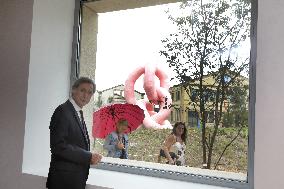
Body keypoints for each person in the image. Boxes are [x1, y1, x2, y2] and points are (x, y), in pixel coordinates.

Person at [46, 77, 102, 189]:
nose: (85, 95)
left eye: (89, 92)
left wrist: (90, 156)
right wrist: (88, 156)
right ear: (73, 90)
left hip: (73, 180)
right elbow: (58, 146)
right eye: (82, 90)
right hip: (63, 181)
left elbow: (75, 143)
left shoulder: (77, 112)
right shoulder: (62, 111)